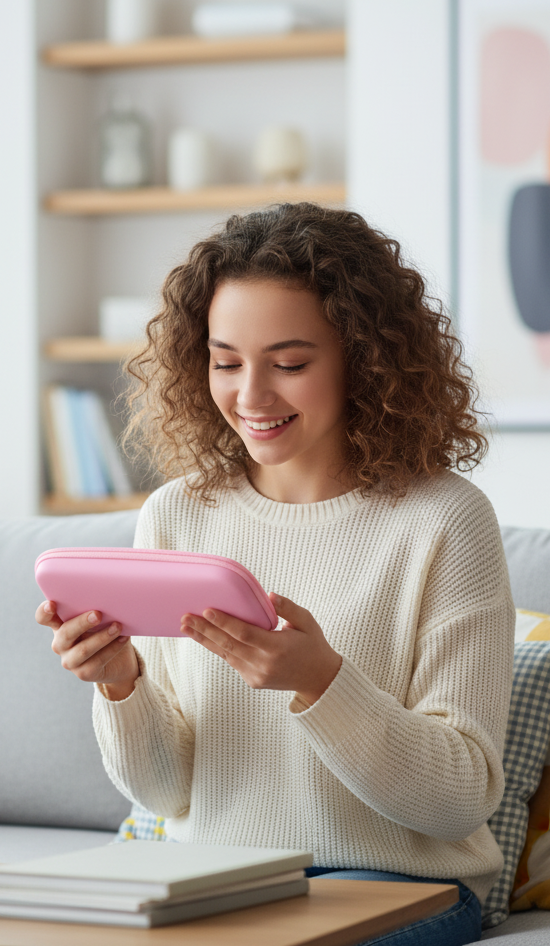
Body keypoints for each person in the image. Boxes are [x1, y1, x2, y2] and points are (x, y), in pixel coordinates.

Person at [36, 203, 514, 946]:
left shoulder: (445, 521)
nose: (250, 397)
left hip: (396, 886)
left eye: (289, 364)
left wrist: (323, 682)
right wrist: (120, 683)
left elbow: (459, 799)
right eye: (226, 362)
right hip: (215, 882)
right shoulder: (176, 514)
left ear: (365, 356)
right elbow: (165, 792)